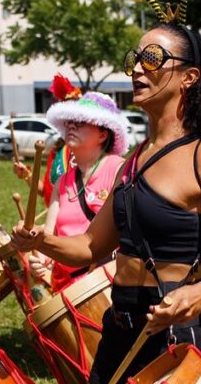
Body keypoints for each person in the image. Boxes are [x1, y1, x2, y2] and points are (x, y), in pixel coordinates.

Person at [11, 19, 201, 384]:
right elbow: (90, 247)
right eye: (135, 58)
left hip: (179, 333)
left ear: (189, 77)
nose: (136, 67)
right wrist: (40, 242)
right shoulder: (131, 163)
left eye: (152, 57)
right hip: (121, 325)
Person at [29, 75, 129, 291]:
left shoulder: (118, 170)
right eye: (69, 122)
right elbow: (50, 236)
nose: (71, 126)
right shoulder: (62, 182)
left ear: (103, 135)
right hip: (67, 286)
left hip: (107, 284)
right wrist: (42, 258)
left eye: (81, 121)